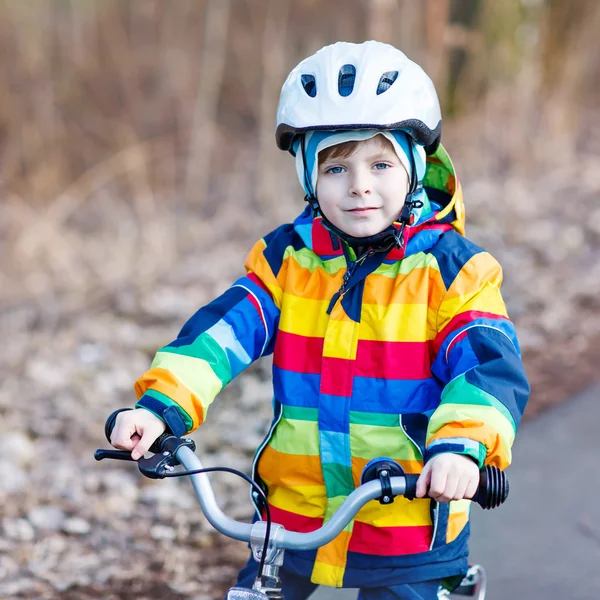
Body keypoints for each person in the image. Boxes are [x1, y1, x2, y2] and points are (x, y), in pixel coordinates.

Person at [110, 41, 530, 599]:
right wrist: (160, 407)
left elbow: (485, 369)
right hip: (293, 516)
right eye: (336, 167)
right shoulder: (288, 261)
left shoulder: (453, 272)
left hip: (407, 520)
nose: (359, 185)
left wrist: (460, 447)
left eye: (381, 164)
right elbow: (221, 336)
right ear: (309, 177)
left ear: (416, 167)